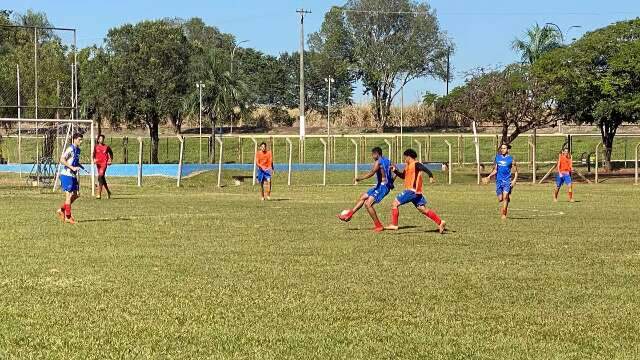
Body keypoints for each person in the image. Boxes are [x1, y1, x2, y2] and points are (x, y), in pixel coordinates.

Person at [385, 149, 446, 234]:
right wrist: (395, 170)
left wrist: (430, 176)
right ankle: (440, 222)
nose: (404, 159)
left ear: (408, 157)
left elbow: (425, 169)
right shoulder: (408, 166)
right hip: (416, 193)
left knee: (395, 203)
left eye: (405, 157)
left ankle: (394, 224)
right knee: (423, 209)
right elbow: (403, 176)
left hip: (411, 191)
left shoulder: (416, 164)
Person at [338, 147, 395, 232]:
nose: (372, 156)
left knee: (368, 204)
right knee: (363, 197)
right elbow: (396, 169)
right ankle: (349, 214)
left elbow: (371, 173)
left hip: (383, 187)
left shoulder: (378, 162)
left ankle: (378, 226)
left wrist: (359, 178)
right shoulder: (388, 160)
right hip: (380, 186)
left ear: (376, 154)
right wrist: (391, 181)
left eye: (372, 155)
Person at [483, 143, 518, 220]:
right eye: (502, 148)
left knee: (505, 197)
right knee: (500, 199)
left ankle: (504, 214)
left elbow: (515, 172)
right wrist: (489, 176)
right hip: (498, 181)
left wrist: (514, 180)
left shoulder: (511, 159)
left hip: (507, 181)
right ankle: (507, 197)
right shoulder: (497, 158)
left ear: (508, 149)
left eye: (504, 148)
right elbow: (495, 170)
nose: (502, 150)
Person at [56, 133, 84, 224]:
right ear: (74, 139)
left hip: (73, 175)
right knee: (68, 195)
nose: (81, 141)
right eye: (79, 139)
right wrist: (72, 168)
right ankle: (68, 216)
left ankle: (61, 209)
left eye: (81, 139)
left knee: (76, 195)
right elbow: (62, 159)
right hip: (66, 174)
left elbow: (73, 162)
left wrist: (79, 165)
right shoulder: (70, 149)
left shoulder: (78, 150)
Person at [93, 134, 114, 199]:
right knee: (102, 178)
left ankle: (99, 193)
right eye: (100, 139)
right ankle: (108, 191)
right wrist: (94, 159)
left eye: (102, 139)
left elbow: (111, 153)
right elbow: (93, 154)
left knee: (100, 176)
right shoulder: (95, 147)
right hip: (98, 164)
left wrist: (110, 160)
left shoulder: (106, 147)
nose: (101, 140)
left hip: (104, 163)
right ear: (98, 140)